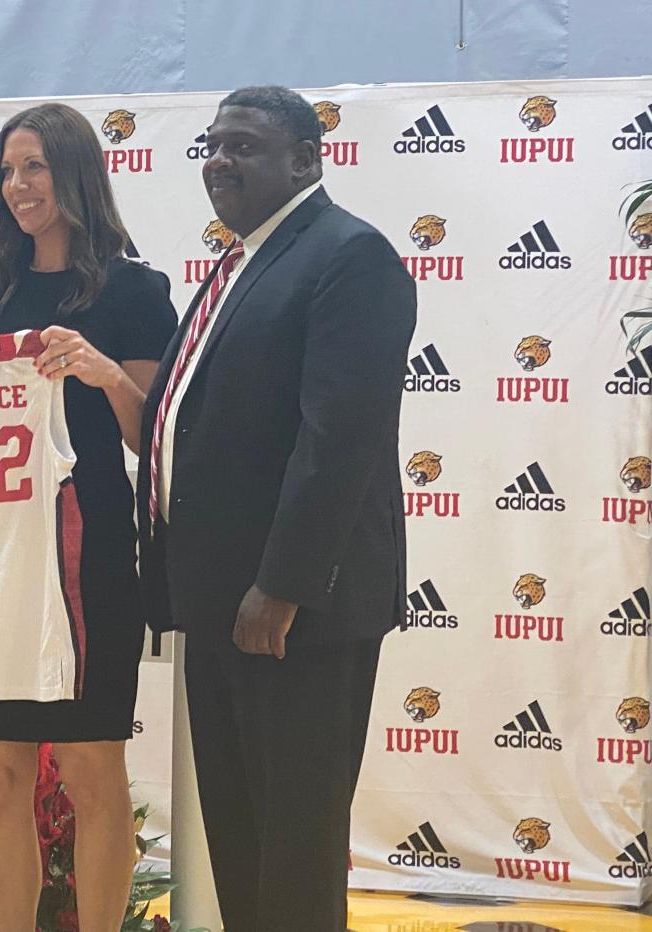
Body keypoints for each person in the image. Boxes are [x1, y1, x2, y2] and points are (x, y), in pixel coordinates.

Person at [136, 86, 417, 931]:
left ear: (305, 158)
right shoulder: (241, 261)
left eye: (244, 146)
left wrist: (283, 586)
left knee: (294, 846)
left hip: (296, 615)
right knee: (241, 841)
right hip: (224, 606)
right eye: (213, 145)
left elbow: (337, 441)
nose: (219, 161)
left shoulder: (347, 256)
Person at [0, 102, 177, 932]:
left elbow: (148, 436)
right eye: (7, 171)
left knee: (94, 776)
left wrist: (98, 371)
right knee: (1, 777)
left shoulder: (134, 289)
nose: (18, 187)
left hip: (85, 558)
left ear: (76, 172)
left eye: (35, 168)